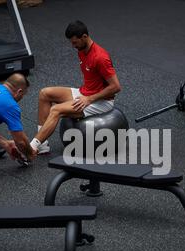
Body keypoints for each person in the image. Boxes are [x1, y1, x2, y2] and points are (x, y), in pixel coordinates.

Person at [30, 20, 122, 154]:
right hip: (84, 93)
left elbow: (116, 87)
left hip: (100, 102)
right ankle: (43, 145)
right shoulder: (82, 49)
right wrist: (85, 96)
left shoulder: (100, 57)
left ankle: (32, 147)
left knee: (56, 110)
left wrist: (89, 99)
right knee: (44, 93)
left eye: (75, 42)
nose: (73, 46)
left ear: (84, 37)